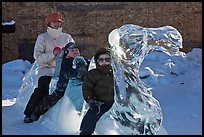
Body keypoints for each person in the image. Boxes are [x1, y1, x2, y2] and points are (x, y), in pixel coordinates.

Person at [23, 11, 75, 123]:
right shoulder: (43, 37)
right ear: (49, 23)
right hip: (46, 70)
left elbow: (74, 52)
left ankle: (42, 112)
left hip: (62, 70)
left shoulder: (67, 37)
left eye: (58, 21)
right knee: (43, 88)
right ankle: (29, 113)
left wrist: (67, 54)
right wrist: (53, 54)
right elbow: (37, 56)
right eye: (54, 21)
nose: (56, 24)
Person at [24, 42, 90, 123]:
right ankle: (37, 112)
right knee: (52, 99)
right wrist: (78, 72)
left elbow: (89, 70)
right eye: (72, 50)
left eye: (77, 50)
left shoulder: (83, 60)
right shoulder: (66, 62)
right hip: (63, 86)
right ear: (67, 54)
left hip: (78, 86)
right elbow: (68, 73)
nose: (75, 51)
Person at [79, 47, 114, 135]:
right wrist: (91, 101)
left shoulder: (115, 73)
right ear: (97, 62)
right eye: (101, 60)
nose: (104, 62)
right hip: (100, 102)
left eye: (107, 59)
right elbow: (87, 88)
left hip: (115, 102)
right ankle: (85, 132)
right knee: (91, 116)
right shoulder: (92, 74)